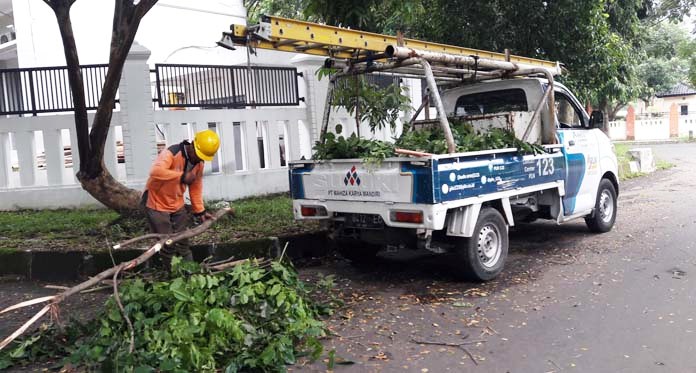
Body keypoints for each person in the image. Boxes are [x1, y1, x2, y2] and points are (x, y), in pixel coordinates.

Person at [142, 129, 220, 269]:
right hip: (156, 203)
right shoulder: (172, 152)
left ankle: (190, 272)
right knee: (167, 242)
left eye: (203, 157)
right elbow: (155, 172)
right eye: (199, 155)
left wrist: (199, 211)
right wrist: (182, 176)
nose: (200, 159)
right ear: (193, 145)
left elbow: (196, 186)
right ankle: (171, 275)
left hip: (176, 203)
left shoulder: (199, 163)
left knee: (183, 240)